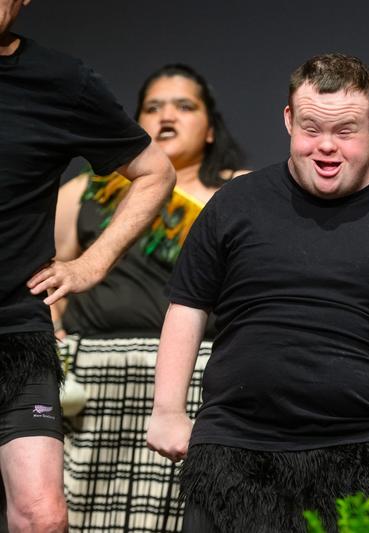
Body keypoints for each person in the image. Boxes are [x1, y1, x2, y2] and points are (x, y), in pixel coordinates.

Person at [146, 53, 369, 532]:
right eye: (311, 128)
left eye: (345, 131)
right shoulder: (234, 205)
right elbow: (187, 306)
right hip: (235, 455)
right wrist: (168, 410)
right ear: (287, 119)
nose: (326, 147)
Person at [0, 1, 175, 530]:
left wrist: (91, 263)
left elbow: (154, 173)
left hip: (15, 334)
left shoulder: (59, 81)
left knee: (42, 515)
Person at [52, 64, 246, 531]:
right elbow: (51, 277)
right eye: (153, 107)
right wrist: (57, 342)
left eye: (184, 106)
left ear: (210, 127)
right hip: (94, 388)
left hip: (194, 385)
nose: (167, 117)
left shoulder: (241, 194)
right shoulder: (82, 193)